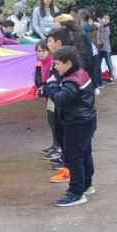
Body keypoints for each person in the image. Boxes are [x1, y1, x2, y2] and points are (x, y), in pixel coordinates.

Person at [42, 46, 97, 207]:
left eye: (58, 64)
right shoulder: (79, 73)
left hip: (77, 123)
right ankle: (86, 185)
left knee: (73, 158)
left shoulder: (72, 80)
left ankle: (76, 193)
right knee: (84, 153)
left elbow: (60, 98)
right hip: (85, 120)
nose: (56, 67)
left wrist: (50, 84)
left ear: (68, 63)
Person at [45, 28, 76, 183]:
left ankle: (73, 177)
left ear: (58, 42)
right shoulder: (58, 59)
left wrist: (50, 86)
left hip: (70, 114)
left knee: (68, 140)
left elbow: (62, 90)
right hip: (60, 106)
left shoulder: (69, 65)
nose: (47, 44)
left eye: (50, 41)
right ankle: (66, 165)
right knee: (58, 130)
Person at [97, 11, 114, 83]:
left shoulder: (107, 28)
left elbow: (103, 36)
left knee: (108, 63)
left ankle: (111, 77)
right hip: (99, 48)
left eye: (108, 19)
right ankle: (99, 77)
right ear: (102, 19)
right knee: (98, 63)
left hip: (106, 48)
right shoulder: (98, 27)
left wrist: (100, 25)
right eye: (105, 18)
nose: (106, 20)